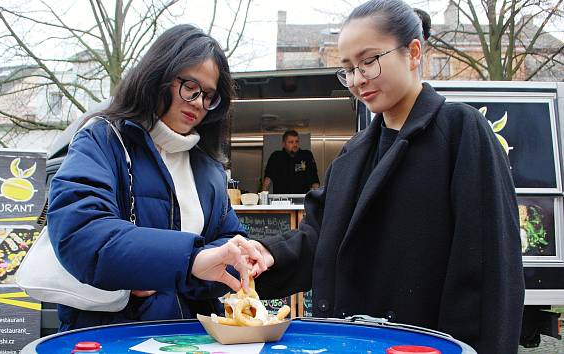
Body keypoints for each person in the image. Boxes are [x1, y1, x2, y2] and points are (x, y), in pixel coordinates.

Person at [248, 1, 525, 353]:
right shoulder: (353, 153)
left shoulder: (461, 132)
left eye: (368, 61)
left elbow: (490, 271)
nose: (356, 79)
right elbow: (319, 236)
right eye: (347, 68)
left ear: (413, 53)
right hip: (350, 343)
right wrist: (267, 254)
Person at [47, 24, 265, 331]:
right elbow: (81, 232)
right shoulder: (103, 139)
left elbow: (227, 242)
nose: (199, 103)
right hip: (113, 335)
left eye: (209, 96)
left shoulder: (209, 169)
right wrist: (189, 261)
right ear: (158, 75)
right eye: (191, 87)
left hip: (194, 338)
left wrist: (227, 262)